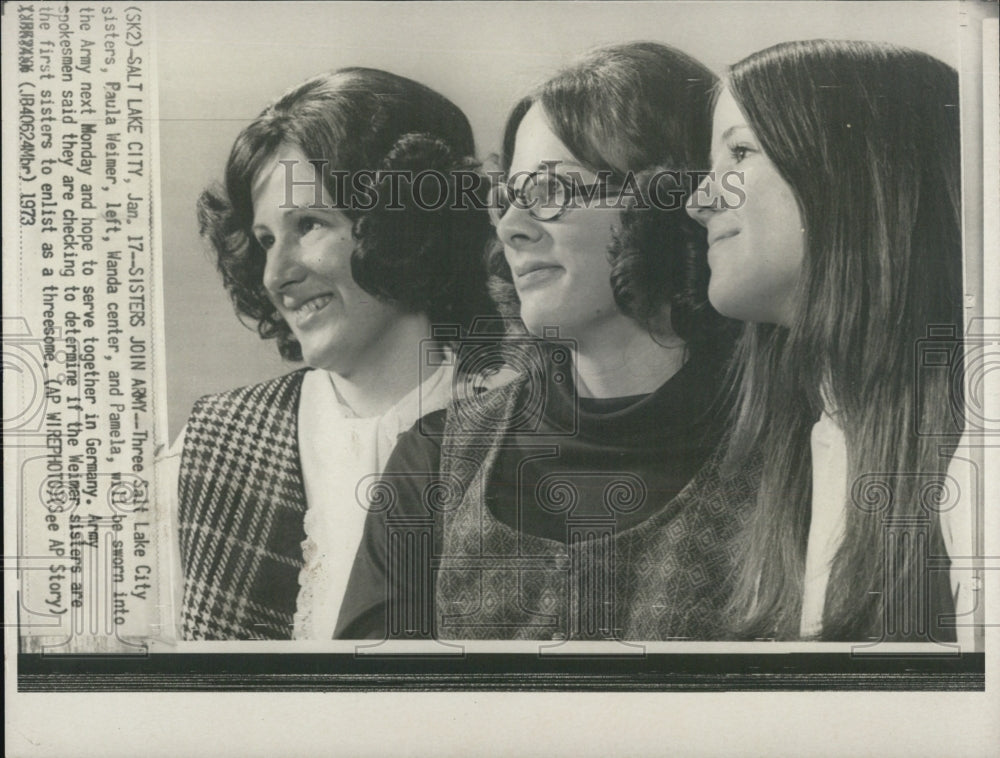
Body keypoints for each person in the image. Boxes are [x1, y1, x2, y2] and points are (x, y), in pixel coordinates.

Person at [337, 42, 752, 641]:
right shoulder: (433, 459)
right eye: (507, 199)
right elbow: (364, 714)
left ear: (670, 200)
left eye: (551, 193)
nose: (511, 227)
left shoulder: (794, 449)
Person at [173, 68, 497, 640]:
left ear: (405, 225)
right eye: (267, 239)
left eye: (310, 225)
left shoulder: (522, 434)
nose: (277, 274)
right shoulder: (208, 447)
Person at [686, 39, 970, 643]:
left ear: (856, 170)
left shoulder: (982, 454)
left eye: (739, 152)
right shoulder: (806, 439)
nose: (699, 201)